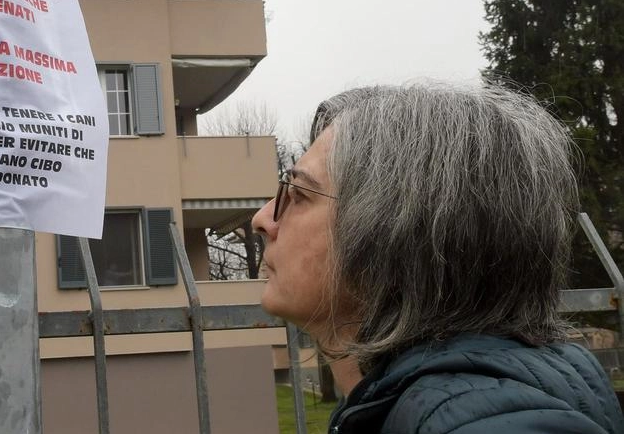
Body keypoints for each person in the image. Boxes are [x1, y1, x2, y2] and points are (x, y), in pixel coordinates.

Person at [251, 82, 624, 434]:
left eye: (298, 194)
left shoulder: (475, 421)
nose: (263, 220)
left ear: (394, 231)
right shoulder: (404, 405)